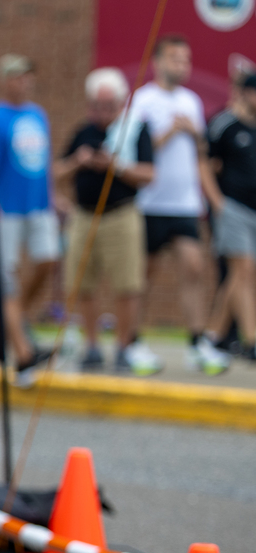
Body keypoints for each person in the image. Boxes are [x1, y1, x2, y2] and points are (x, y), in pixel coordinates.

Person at [129, 35, 229, 375]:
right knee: (143, 274)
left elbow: (200, 155)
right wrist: (171, 131)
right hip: (150, 203)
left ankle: (196, 343)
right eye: (175, 59)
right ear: (158, 62)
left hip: (185, 203)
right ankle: (135, 342)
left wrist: (210, 196)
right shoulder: (143, 100)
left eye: (186, 60)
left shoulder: (192, 101)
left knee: (194, 267)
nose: (182, 66)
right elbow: (135, 151)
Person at [53, 67, 156, 372]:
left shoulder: (134, 130)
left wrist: (116, 165)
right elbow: (57, 172)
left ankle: (123, 347)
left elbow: (149, 174)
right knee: (81, 283)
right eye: (97, 105)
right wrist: (78, 161)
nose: (102, 112)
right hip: (84, 216)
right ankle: (92, 346)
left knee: (127, 284)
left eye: (109, 105)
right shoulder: (83, 132)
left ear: (121, 103)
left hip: (121, 215)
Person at [0, 54, 57, 380]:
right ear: (5, 80)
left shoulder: (38, 115)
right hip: (6, 209)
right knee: (7, 279)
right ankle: (23, 352)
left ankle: (16, 317)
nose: (24, 82)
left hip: (38, 205)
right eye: (17, 76)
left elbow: (42, 164)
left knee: (48, 260)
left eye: (27, 76)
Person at [203, 72, 256, 360]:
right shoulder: (224, 123)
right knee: (243, 270)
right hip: (232, 207)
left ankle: (212, 336)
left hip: (253, 209)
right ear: (246, 93)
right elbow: (205, 163)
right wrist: (217, 202)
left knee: (241, 276)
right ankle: (251, 339)